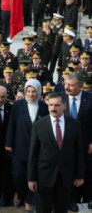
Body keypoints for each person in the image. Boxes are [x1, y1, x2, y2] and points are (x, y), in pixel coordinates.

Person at [28, 93, 85, 213]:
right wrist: (31, 178)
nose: (53, 108)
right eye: (51, 105)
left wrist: (79, 175)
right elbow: (33, 153)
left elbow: (79, 152)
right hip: (43, 176)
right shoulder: (38, 125)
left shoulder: (75, 125)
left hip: (66, 175)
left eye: (57, 105)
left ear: (64, 106)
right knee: (43, 209)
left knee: (62, 209)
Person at [5, 79, 48, 212]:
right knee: (18, 175)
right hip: (20, 147)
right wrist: (9, 143)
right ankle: (20, 194)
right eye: (28, 91)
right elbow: (12, 124)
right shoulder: (18, 105)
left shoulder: (44, 107)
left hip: (37, 149)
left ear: (39, 92)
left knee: (34, 176)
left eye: (34, 91)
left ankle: (29, 200)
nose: (30, 94)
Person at [63, 72, 92, 210]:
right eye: (66, 84)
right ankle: (70, 200)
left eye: (71, 85)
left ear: (81, 86)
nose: (67, 87)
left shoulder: (90, 99)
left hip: (86, 144)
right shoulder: (60, 98)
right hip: (65, 144)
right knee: (69, 171)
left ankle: (87, 199)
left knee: (87, 171)